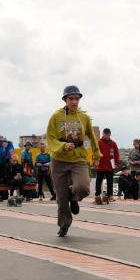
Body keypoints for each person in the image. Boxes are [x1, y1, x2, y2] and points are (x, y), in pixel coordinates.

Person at [46, 85, 102, 237]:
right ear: (65, 100)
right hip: (59, 160)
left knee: (83, 187)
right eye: (71, 98)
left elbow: (92, 136)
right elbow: (50, 138)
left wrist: (96, 154)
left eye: (77, 99)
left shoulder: (83, 117)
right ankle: (64, 224)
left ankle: (74, 197)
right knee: (61, 197)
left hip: (78, 158)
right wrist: (63, 145)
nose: (74, 102)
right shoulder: (56, 117)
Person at [95, 128, 120, 204]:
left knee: (110, 181)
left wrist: (116, 163)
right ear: (103, 134)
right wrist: (95, 161)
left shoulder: (113, 143)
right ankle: (97, 195)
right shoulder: (98, 142)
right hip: (100, 165)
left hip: (110, 166)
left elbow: (116, 154)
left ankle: (110, 195)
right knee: (99, 181)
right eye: (105, 134)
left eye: (108, 135)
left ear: (110, 134)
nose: (107, 136)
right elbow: (95, 152)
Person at [0, 136, 14, 201]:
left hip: (2, 165)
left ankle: (2, 196)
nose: (1, 142)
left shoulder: (5, 147)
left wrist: (8, 142)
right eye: (0, 140)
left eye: (2, 141)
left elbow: (10, 150)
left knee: (2, 180)